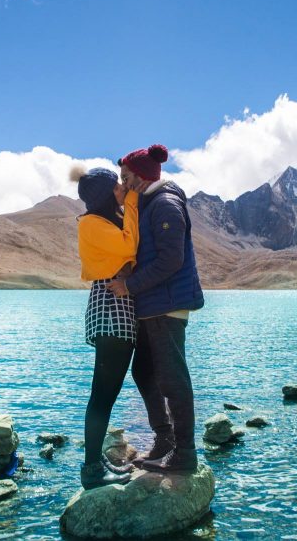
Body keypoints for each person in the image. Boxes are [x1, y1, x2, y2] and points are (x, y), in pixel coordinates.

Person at [107, 144, 205, 474]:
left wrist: (128, 286)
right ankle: (165, 439)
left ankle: (185, 454)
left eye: (126, 178)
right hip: (153, 306)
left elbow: (171, 260)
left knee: (173, 380)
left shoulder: (164, 204)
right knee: (144, 372)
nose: (123, 184)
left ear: (141, 176)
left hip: (167, 305)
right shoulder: (146, 204)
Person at [72, 166, 140, 489]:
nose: (121, 190)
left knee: (105, 395)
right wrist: (135, 200)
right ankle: (91, 471)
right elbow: (128, 247)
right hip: (111, 306)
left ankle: (94, 462)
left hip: (117, 307)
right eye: (116, 187)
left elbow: (128, 251)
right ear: (102, 195)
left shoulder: (102, 221)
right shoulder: (91, 224)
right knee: (102, 395)